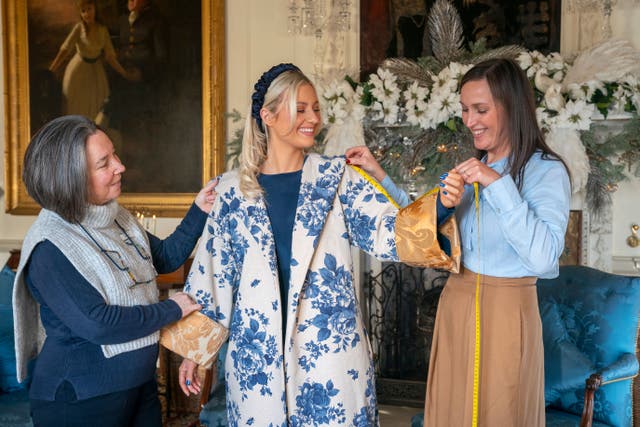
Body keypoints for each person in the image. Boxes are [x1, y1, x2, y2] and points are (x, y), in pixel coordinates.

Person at [175, 63, 463, 426]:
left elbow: (389, 231)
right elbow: (214, 273)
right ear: (268, 116)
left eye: (315, 108)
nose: (313, 117)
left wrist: (442, 205)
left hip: (330, 355)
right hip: (256, 359)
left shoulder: (338, 178)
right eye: (300, 109)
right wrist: (195, 352)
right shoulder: (231, 191)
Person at [349, 58, 571, 426]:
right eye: (465, 110)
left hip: (509, 314)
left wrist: (496, 184)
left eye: (481, 109)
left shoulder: (545, 170)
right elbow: (419, 224)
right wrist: (379, 173)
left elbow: (544, 259)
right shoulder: (469, 169)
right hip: (456, 308)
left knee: (503, 412)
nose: (470, 121)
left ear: (512, 108)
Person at [12, 115, 217, 427]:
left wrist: (200, 209)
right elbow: (99, 324)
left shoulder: (116, 217)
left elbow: (163, 257)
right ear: (71, 178)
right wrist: (171, 310)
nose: (120, 166)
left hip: (138, 388)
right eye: (104, 163)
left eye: (115, 155)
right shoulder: (49, 246)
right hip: (80, 401)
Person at [49, 0, 137, 121]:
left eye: (89, 9)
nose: (87, 14)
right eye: (83, 11)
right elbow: (65, 50)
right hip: (77, 71)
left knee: (96, 108)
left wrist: (124, 73)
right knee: (75, 106)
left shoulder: (102, 30)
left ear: (95, 9)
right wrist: (51, 69)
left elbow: (110, 57)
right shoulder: (79, 28)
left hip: (96, 72)